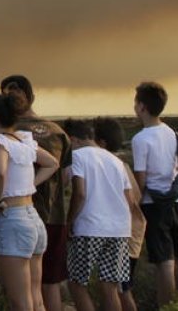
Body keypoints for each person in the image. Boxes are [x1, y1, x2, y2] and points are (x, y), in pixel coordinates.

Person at [0, 91, 59, 311]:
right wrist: (30, 184)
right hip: (33, 217)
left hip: (13, 219)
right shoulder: (24, 140)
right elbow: (52, 163)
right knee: (36, 298)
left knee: (20, 302)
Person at [1, 75, 72, 311]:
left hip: (19, 212)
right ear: (32, 96)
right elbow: (66, 176)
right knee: (50, 283)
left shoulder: (10, 134)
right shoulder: (58, 132)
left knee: (22, 289)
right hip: (54, 216)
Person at [63, 119, 141, 311]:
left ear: (72, 139)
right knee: (110, 287)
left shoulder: (78, 156)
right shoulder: (116, 161)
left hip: (89, 227)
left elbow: (80, 193)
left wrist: (69, 221)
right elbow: (130, 199)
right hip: (119, 230)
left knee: (76, 283)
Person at [132, 81, 178, 307]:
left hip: (154, 204)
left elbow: (141, 180)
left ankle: (168, 307)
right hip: (177, 200)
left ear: (142, 107)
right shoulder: (174, 134)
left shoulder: (140, 139)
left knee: (164, 262)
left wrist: (133, 205)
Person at [93, 116, 146, 311]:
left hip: (124, 236)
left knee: (119, 289)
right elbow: (137, 197)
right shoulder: (122, 165)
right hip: (131, 234)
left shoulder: (113, 166)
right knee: (120, 288)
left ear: (101, 143)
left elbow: (131, 201)